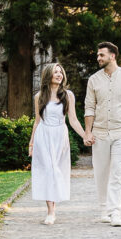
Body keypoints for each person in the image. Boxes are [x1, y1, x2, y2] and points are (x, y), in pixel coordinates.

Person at [83, 41, 121, 227]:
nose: (98, 58)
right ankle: (104, 209)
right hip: (100, 134)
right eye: (98, 55)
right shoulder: (93, 80)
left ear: (112, 56)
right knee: (101, 173)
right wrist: (87, 132)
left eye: (101, 55)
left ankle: (116, 212)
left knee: (117, 173)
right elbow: (89, 107)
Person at [29, 62, 87, 225]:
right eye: (55, 72)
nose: (59, 75)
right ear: (48, 75)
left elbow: (73, 119)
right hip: (43, 135)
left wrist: (85, 135)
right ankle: (51, 211)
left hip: (60, 135)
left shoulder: (68, 95)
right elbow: (37, 121)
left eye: (60, 72)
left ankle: (53, 206)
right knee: (48, 170)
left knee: (56, 170)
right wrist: (31, 143)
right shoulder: (39, 96)